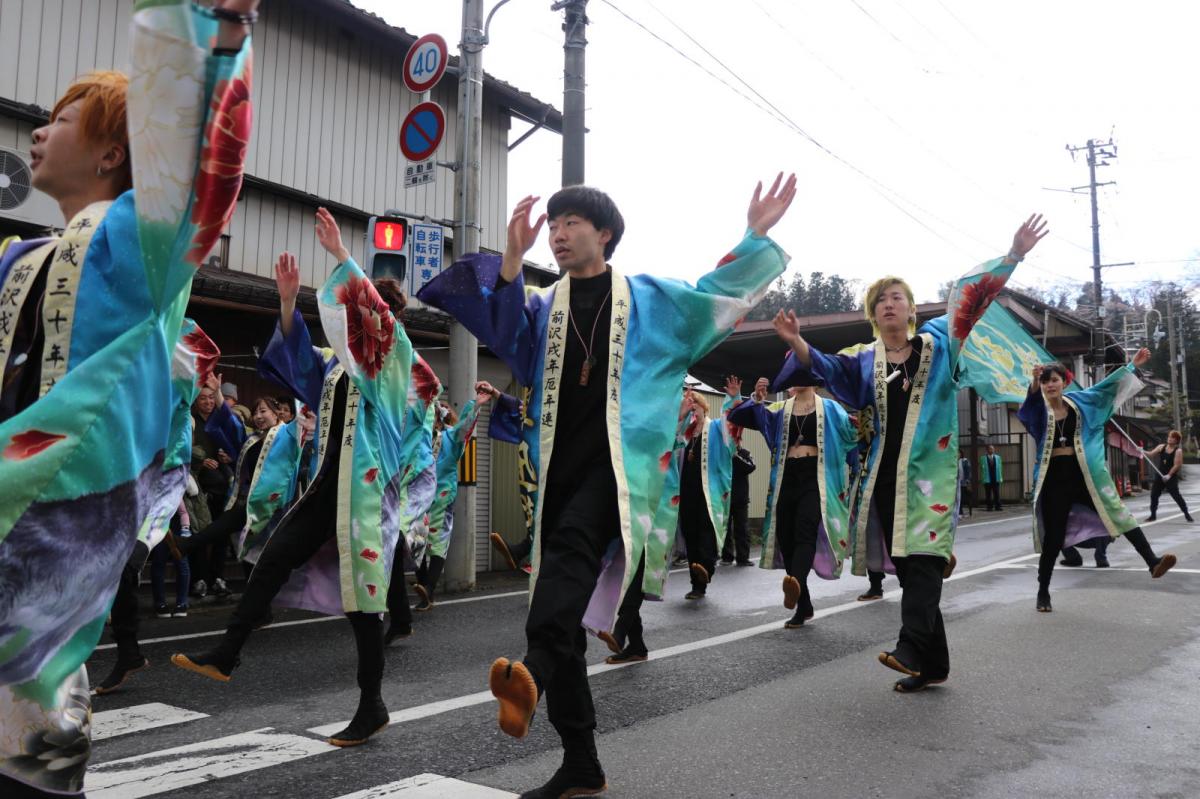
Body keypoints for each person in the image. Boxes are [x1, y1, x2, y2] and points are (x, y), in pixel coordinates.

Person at [418, 176, 794, 797]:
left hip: (618, 471)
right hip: (557, 467)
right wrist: (512, 261)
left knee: (564, 566)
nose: (559, 234)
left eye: (572, 224)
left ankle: (528, 673)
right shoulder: (542, 304)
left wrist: (755, 235)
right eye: (554, 224)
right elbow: (504, 333)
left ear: (605, 235)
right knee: (562, 618)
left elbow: (711, 298)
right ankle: (581, 762)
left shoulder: (646, 299)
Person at [0, 3, 255, 793]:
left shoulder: (139, 243)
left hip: (60, 508)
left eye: (63, 118)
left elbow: (195, 163)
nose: (40, 132)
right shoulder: (19, 255)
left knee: (33, 706)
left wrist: (221, 48)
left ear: (116, 150)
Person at [173, 210, 438, 749]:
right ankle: (228, 652)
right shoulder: (341, 365)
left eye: (365, 307)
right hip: (326, 487)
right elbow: (295, 360)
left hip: (364, 494)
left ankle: (372, 703)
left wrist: (343, 257)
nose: (354, 318)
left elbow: (383, 330)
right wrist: (290, 302)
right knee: (274, 557)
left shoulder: (397, 363)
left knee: (364, 604)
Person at [771, 214, 1048, 692]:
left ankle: (909, 644)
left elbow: (971, 299)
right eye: (880, 300)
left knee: (920, 562)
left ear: (911, 308)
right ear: (873, 315)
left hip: (931, 476)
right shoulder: (864, 359)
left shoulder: (940, 342)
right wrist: (797, 341)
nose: (889, 304)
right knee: (909, 564)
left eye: (897, 297)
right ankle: (933, 665)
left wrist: (1014, 255)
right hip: (884, 473)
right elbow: (828, 368)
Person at [1018, 354, 1177, 612]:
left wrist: (1131, 366)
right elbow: (1028, 409)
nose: (1050, 385)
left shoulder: (1078, 402)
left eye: (1054, 380)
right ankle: (1043, 592)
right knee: (1054, 538)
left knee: (1117, 512)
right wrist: (1033, 383)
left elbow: (1104, 389)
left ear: (1064, 383)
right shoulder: (1040, 411)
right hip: (1053, 480)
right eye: (1045, 382)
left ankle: (1152, 562)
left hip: (1083, 475)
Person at [731, 367, 858, 629]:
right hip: (787, 478)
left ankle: (795, 584)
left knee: (805, 530)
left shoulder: (832, 409)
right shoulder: (780, 409)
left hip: (817, 478)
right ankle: (803, 603)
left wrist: (859, 469)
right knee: (786, 538)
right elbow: (738, 416)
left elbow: (853, 437)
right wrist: (755, 397)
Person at [412, 381, 500, 611]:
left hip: (441, 494)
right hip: (419, 494)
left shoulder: (452, 437)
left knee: (436, 539)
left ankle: (428, 589)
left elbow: (464, 428)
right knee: (415, 538)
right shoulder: (421, 437)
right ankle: (424, 585)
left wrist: (475, 406)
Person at [676, 384, 737, 600]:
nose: (693, 410)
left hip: (709, 492)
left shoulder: (717, 428)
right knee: (691, 533)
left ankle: (706, 569)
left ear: (704, 408)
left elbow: (732, 426)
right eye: (690, 407)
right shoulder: (686, 433)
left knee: (707, 532)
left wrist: (733, 398)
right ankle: (697, 584)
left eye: (696, 406)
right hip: (687, 490)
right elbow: (670, 445)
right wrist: (681, 413)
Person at [721, 440, 756, 566]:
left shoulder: (745, 453)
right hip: (725, 496)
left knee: (742, 528)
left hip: (741, 498)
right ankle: (726, 557)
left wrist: (736, 456)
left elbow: (751, 467)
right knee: (725, 528)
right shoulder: (722, 453)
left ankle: (743, 558)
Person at [1146, 430, 1193, 522]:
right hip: (1160, 475)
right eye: (1169, 437)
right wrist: (1141, 450)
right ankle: (1153, 515)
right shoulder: (1161, 447)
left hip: (1170, 477)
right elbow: (1151, 454)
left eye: (1172, 438)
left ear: (1176, 441)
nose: (1170, 439)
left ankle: (1186, 514)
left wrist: (1169, 475)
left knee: (1176, 496)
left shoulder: (1178, 451)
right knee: (1154, 495)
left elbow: (1177, 465)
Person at [980, 444, 1003, 511]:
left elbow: (1000, 468)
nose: (992, 450)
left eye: (993, 449)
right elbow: (982, 469)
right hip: (987, 478)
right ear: (987, 450)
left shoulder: (998, 457)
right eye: (990, 449)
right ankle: (989, 507)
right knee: (988, 494)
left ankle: (998, 506)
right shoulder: (983, 458)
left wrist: (1000, 477)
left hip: (996, 477)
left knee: (997, 493)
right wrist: (983, 478)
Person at [958, 451, 973, 518]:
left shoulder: (965, 460)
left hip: (964, 482)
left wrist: (968, 480)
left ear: (961, 454)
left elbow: (968, 471)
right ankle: (960, 512)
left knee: (963, 498)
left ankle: (966, 512)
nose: (957, 454)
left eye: (958, 453)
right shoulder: (952, 461)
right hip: (956, 483)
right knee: (958, 498)